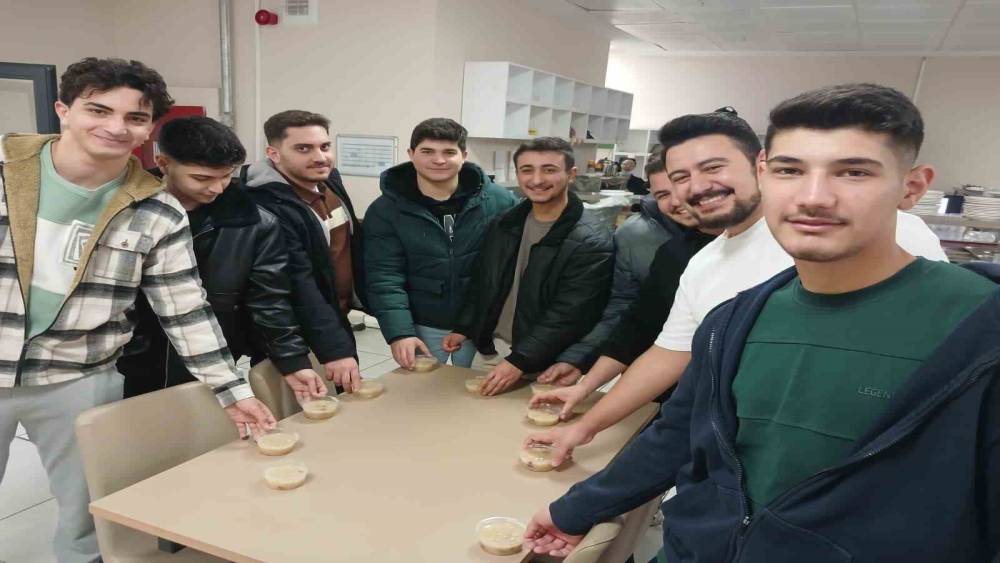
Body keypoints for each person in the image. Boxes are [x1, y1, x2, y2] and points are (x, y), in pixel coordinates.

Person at [524, 83, 1000, 562]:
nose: (814, 197)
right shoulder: (734, 319)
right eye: (791, 170)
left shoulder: (977, 331)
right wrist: (573, 510)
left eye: (853, 172)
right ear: (765, 173)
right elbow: (679, 433)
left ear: (912, 188)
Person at [526, 106, 948, 466]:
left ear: (760, 166)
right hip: (737, 463)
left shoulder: (876, 231)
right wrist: (585, 425)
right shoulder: (703, 264)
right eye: (680, 176)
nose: (697, 186)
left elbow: (936, 352)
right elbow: (668, 355)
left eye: (713, 167)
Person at [0, 57, 275, 563]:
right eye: (98, 110)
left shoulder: (157, 209)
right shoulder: (6, 171)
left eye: (135, 117)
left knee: (89, 514)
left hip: (78, 376)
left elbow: (185, 308)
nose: (116, 127)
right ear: (63, 109)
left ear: (149, 130)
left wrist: (230, 390)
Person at [117, 116, 326, 403]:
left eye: (226, 176)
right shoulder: (125, 209)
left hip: (211, 354)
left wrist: (292, 360)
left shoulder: (254, 223)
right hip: (129, 355)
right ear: (163, 163)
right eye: (202, 178)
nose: (217, 188)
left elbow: (269, 299)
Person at [533, 157, 721, 413]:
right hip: (676, 391)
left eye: (682, 187)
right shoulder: (673, 252)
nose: (676, 201)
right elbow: (639, 325)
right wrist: (584, 382)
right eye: (663, 194)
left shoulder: (766, 246)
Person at [443, 137, 614, 395]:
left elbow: (570, 313)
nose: (537, 179)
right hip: (493, 352)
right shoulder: (505, 223)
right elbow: (484, 282)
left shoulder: (590, 240)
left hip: (547, 364)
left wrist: (520, 360)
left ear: (571, 174)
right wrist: (464, 327)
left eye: (549, 169)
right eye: (527, 170)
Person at [364, 118, 516, 369]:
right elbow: (384, 276)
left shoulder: (499, 201)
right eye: (427, 151)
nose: (439, 160)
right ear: (411, 154)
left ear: (464, 155)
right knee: (424, 389)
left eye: (449, 152)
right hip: (422, 323)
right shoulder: (386, 210)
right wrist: (400, 332)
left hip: (483, 323)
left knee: (476, 390)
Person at [242, 110, 364, 393]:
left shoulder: (329, 182)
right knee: (301, 410)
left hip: (333, 318)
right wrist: (334, 349)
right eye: (303, 148)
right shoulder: (266, 205)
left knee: (347, 403)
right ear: (274, 154)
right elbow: (298, 281)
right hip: (291, 332)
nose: (320, 157)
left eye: (325, 146)